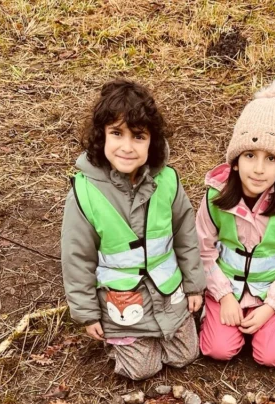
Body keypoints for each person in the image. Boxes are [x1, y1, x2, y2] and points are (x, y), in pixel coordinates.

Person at [61, 79, 205, 381]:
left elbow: (185, 235)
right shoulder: (85, 193)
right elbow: (76, 257)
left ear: (151, 140)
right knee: (141, 370)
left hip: (167, 291)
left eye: (138, 136)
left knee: (186, 355)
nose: (127, 147)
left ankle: (162, 333)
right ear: (102, 135)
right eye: (117, 133)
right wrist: (86, 313)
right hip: (124, 300)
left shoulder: (167, 181)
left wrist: (194, 285)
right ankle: (125, 342)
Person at [196, 81, 275, 368]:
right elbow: (202, 251)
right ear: (236, 161)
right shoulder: (215, 198)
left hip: (268, 294)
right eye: (250, 155)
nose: (259, 169)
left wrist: (272, 306)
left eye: (271, 158)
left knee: (274, 356)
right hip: (226, 290)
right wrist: (223, 296)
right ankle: (213, 315)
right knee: (217, 350)